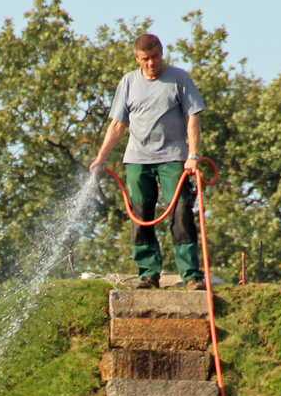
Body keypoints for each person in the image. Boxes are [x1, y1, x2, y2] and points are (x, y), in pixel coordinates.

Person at [88, 32, 207, 290]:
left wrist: (193, 155)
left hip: (173, 158)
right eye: (145, 59)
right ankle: (148, 273)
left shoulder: (179, 79)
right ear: (136, 58)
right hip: (137, 160)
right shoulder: (128, 82)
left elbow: (193, 118)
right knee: (140, 215)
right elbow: (118, 124)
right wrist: (101, 158)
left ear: (161, 54)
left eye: (154, 57)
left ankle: (191, 276)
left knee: (181, 213)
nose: (151, 63)